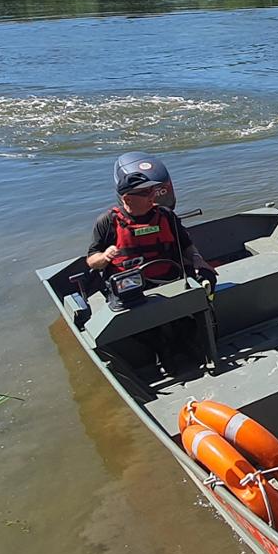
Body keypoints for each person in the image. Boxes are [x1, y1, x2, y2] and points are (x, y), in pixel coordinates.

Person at [85, 155, 217, 383]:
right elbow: (91, 260)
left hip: (168, 277)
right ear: (127, 198)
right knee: (133, 320)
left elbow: (186, 245)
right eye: (146, 193)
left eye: (153, 190)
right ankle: (161, 349)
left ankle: (188, 340)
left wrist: (197, 260)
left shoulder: (165, 215)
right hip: (130, 286)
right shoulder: (107, 222)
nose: (153, 196)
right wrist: (105, 257)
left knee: (203, 287)